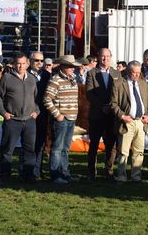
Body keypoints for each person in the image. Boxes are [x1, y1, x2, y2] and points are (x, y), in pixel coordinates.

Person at [0, 52, 40, 184]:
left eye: (23, 63)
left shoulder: (32, 79)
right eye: (18, 63)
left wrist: (36, 111)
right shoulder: (7, 78)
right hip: (12, 120)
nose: (20, 66)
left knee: (29, 150)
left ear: (27, 64)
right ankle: (4, 175)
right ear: (14, 64)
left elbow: (36, 98)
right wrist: (4, 113)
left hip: (29, 121)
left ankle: (28, 176)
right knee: (7, 150)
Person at [110, 60, 148, 182]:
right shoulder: (118, 83)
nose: (136, 75)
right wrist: (122, 116)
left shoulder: (143, 84)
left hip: (141, 122)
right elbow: (113, 104)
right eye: (134, 72)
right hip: (126, 122)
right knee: (123, 152)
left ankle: (136, 176)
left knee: (139, 151)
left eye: (138, 73)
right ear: (128, 71)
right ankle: (122, 176)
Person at [43, 55, 81, 184]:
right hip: (61, 118)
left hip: (71, 118)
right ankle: (55, 175)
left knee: (65, 148)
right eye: (70, 66)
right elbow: (47, 99)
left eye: (73, 66)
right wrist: (57, 114)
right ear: (63, 67)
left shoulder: (73, 79)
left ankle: (65, 173)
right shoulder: (55, 80)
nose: (73, 69)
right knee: (57, 148)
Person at [85, 48, 121, 180]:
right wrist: (102, 107)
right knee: (93, 145)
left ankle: (109, 171)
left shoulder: (117, 73)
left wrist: (111, 108)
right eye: (102, 56)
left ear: (111, 57)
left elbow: (120, 93)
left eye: (107, 56)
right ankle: (91, 173)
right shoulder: (91, 73)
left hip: (112, 115)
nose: (105, 59)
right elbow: (89, 93)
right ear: (98, 57)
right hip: (97, 115)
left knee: (111, 146)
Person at [29, 51, 51, 181]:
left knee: (41, 143)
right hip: (28, 113)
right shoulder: (25, 75)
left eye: (41, 61)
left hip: (43, 114)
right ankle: (26, 170)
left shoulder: (47, 75)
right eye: (36, 60)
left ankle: (37, 170)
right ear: (30, 61)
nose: (39, 63)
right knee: (28, 144)